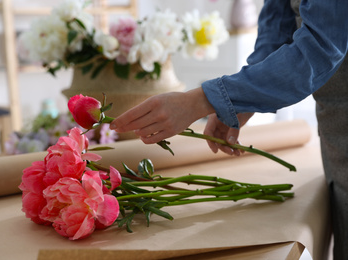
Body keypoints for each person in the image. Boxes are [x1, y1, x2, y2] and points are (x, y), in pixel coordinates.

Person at [110, 0, 348, 258]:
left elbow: (320, 48)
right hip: (335, 128)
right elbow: (279, 28)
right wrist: (236, 102)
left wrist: (203, 100)